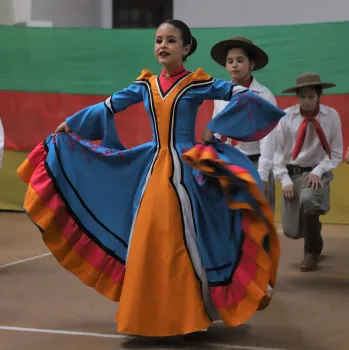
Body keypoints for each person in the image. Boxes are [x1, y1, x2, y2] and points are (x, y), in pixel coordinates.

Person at [17, 19, 285, 337]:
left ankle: (184, 313)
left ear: (186, 49)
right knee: (147, 239)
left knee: (181, 241)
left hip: (185, 173)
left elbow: (246, 97)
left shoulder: (197, 84)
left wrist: (219, 128)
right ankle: (149, 314)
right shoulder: (144, 85)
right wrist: (71, 124)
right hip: (153, 169)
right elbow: (108, 106)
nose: (163, 46)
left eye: (171, 41)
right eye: (159, 40)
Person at [274, 72, 343, 271]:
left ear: (319, 95)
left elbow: (336, 152)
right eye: (302, 96)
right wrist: (284, 179)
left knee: (308, 200)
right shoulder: (286, 117)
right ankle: (314, 227)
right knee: (291, 230)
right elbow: (277, 150)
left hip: (317, 171)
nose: (306, 101)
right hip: (293, 172)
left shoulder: (331, 116)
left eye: (311, 96)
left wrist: (319, 170)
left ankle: (311, 251)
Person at [210, 36, 277, 210]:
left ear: (251, 64)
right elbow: (216, 131)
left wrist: (262, 176)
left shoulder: (264, 95)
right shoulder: (220, 94)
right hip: (230, 163)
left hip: (256, 164)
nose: (234, 65)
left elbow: (269, 140)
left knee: (259, 222)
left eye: (240, 60)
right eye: (230, 61)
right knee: (233, 222)